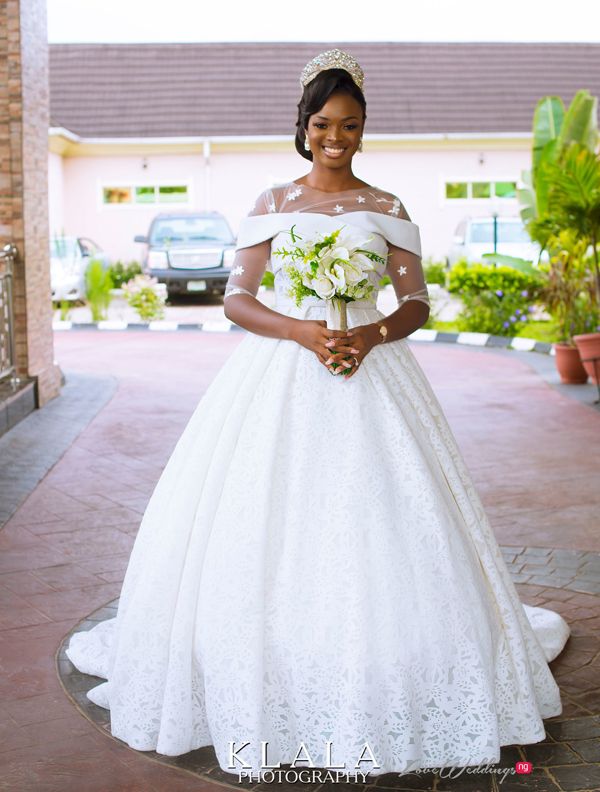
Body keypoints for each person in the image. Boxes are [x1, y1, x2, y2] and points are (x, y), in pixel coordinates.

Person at [66, 49, 570, 779]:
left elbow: (419, 302)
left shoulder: (389, 208)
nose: (337, 137)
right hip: (280, 371)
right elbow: (237, 298)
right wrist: (302, 329)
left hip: (376, 371)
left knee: (386, 512)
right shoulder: (273, 203)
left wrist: (372, 331)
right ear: (303, 126)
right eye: (325, 123)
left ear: (364, 130)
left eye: (352, 125)